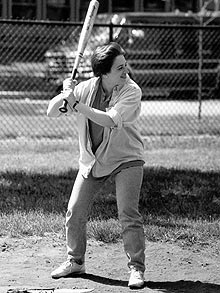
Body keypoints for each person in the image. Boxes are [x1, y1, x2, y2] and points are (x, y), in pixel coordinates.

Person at [47, 42, 146, 289]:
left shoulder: (131, 91)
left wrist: (77, 105)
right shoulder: (86, 88)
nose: (126, 72)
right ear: (103, 72)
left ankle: (136, 269)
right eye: (119, 68)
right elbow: (51, 112)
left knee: (128, 214)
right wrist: (64, 94)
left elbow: (111, 120)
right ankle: (75, 261)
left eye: (125, 66)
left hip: (126, 158)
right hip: (93, 160)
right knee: (75, 211)